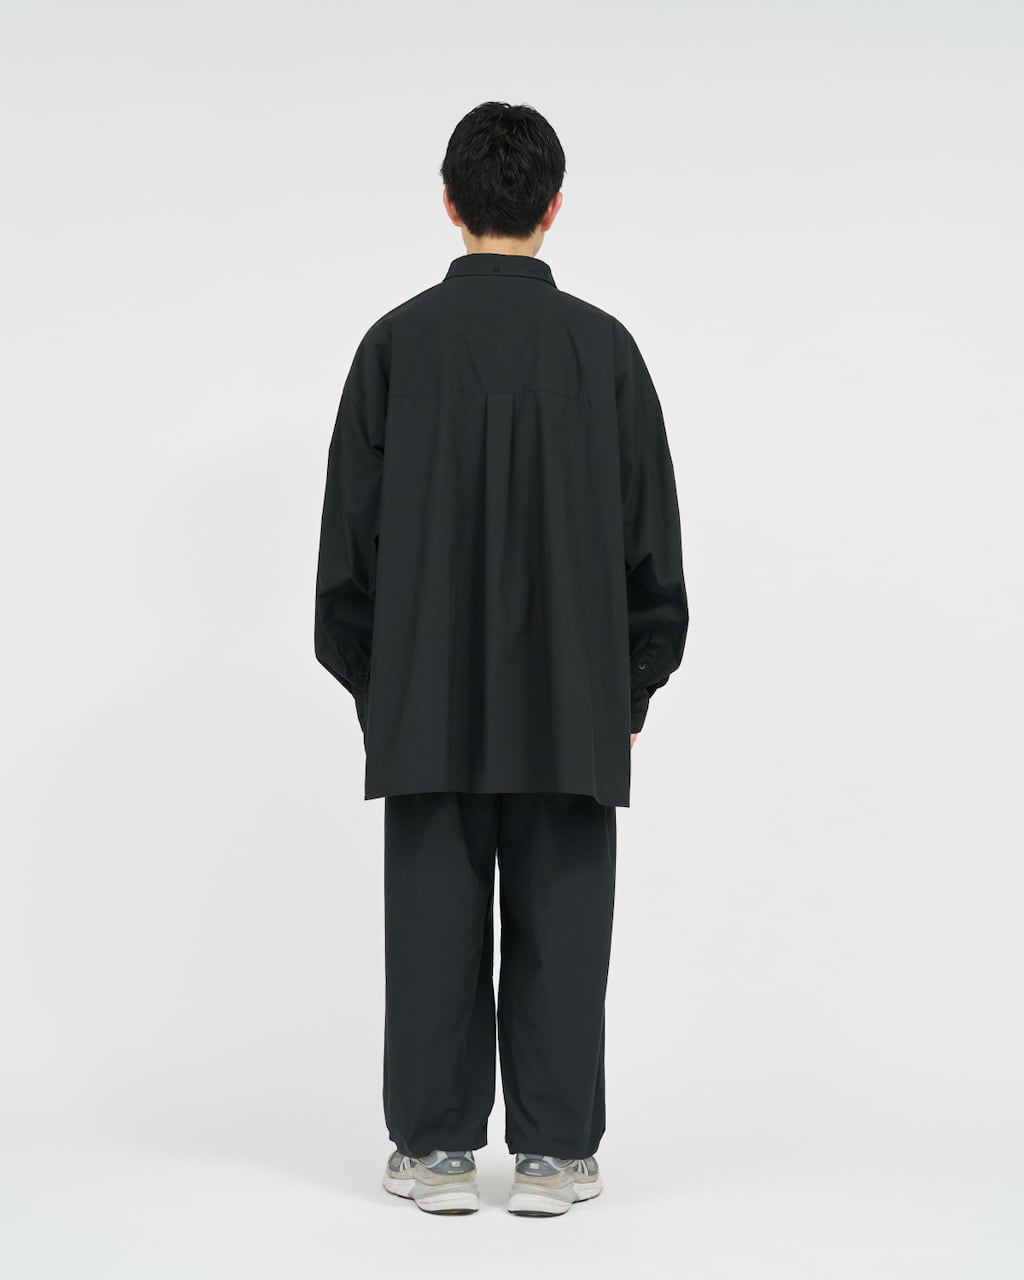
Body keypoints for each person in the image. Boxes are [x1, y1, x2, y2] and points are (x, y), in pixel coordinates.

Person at [314, 101, 689, 1217]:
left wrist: (380, 682)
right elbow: (650, 538)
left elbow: (347, 547)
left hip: (425, 695)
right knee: (565, 924)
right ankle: (554, 1155)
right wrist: (631, 685)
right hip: (573, 698)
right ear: (553, 205)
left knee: (430, 923)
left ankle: (434, 1152)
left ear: (449, 201)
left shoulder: (395, 346)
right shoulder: (604, 351)